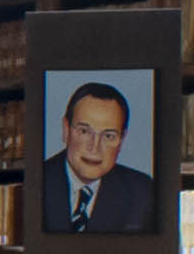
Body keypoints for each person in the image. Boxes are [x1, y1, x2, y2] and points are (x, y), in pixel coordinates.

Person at [40, 79, 155, 235]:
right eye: (84, 132)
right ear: (66, 130)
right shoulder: (36, 181)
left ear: (122, 139)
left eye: (108, 136)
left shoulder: (142, 192)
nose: (94, 147)